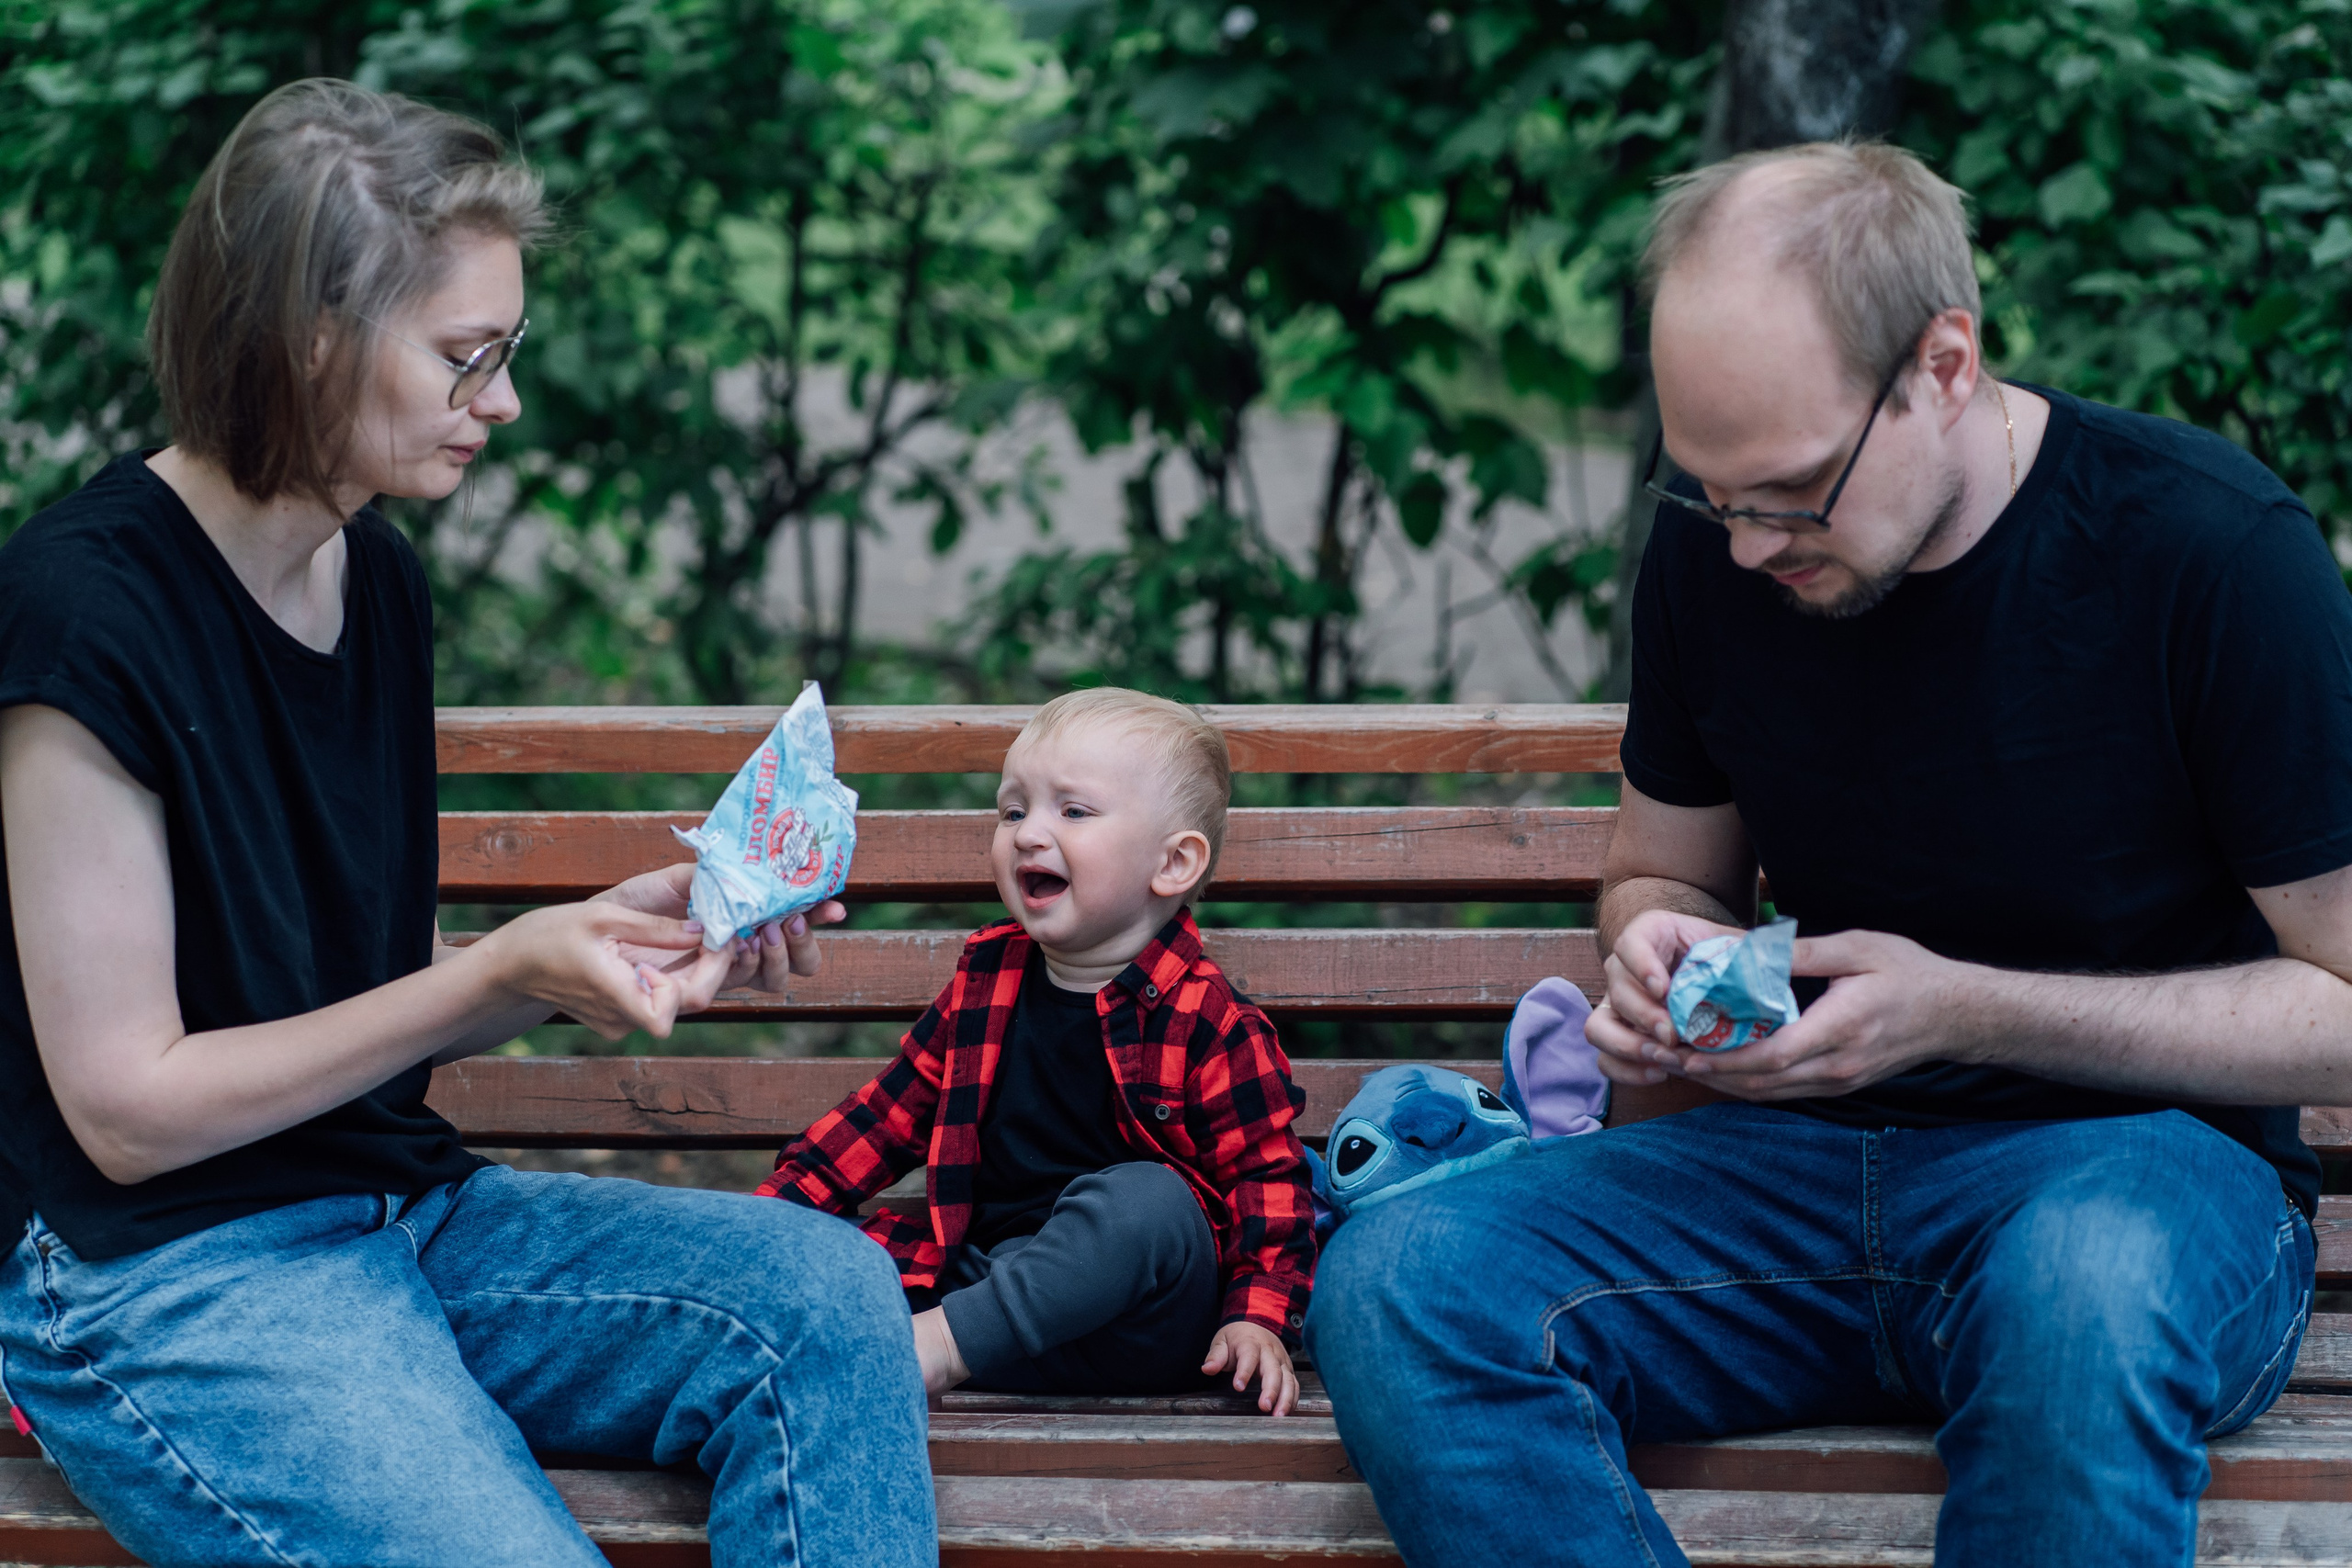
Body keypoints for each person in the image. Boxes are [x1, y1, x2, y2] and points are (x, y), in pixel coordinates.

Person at [1308, 140, 2345, 1566]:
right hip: (1786, 1176)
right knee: (1403, 1277)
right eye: (1711, 492)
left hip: (2137, 1184)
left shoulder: (2211, 552)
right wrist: (1651, 947)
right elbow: (1666, 869)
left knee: (2079, 1288)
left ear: (1944, 364)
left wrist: (1969, 1006)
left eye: (1791, 492)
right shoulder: (1717, 559)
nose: (1745, 547)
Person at [0, 81, 932, 1568]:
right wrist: (499, 971)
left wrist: (626, 937)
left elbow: (354, 991)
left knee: (820, 1303)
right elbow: (126, 1108)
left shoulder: (378, 581)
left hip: (399, 1213)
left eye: (504, 353)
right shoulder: (83, 609)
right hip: (158, 1278)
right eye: (464, 356)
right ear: (311, 337)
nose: (500, 400)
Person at [762, 688, 1314, 1415]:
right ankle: (920, 1338)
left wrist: (1256, 1315)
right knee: (858, 1257)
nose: (1027, 833)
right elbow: (885, 1118)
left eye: (1072, 811)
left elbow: (1267, 1182)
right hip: (984, 1290)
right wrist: (768, 1228)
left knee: (1148, 1200)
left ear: (1173, 862)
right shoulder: (984, 986)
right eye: (1013, 809)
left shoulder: (1209, 1018)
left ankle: (939, 1348)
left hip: (1139, 1325)